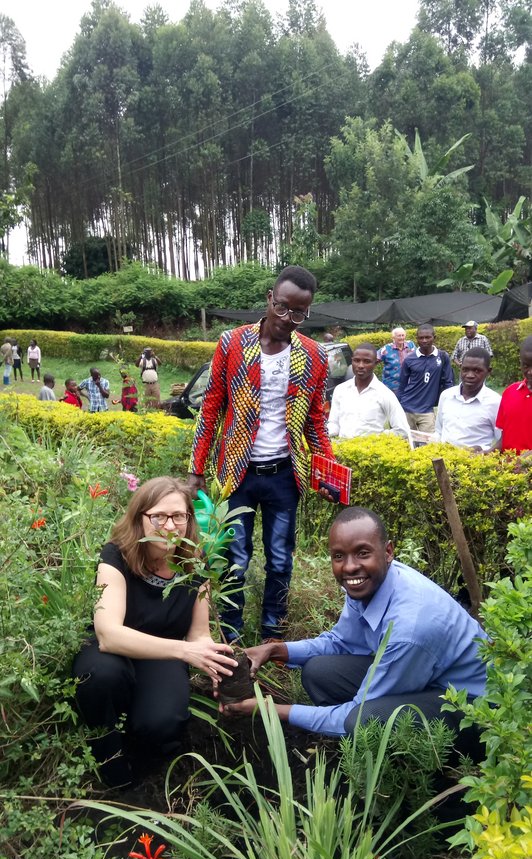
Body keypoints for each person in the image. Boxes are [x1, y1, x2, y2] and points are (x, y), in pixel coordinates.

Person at [221, 507, 487, 743]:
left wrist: (269, 709)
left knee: (361, 720)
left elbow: (353, 714)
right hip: (427, 677)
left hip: (471, 710)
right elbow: (340, 642)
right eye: (339, 556)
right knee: (319, 671)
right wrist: (275, 650)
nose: (349, 567)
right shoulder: (371, 584)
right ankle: (359, 744)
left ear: (388, 551)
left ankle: (396, 760)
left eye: (362, 553)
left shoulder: (410, 629)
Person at [188, 265, 335, 643]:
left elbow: (316, 421)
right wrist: (197, 469)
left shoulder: (315, 356)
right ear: (270, 299)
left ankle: (273, 633)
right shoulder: (232, 343)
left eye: (300, 313)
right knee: (235, 561)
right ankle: (233, 635)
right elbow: (211, 408)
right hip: (238, 475)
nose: (289, 319)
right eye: (284, 308)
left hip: (285, 475)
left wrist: (328, 472)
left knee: (281, 560)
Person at [73, 476, 237, 787]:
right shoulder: (116, 556)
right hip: (111, 652)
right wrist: (185, 651)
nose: (171, 526)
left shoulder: (194, 563)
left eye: (179, 516)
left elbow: (199, 634)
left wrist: (214, 661)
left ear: (189, 520)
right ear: (140, 519)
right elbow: (108, 634)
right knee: (100, 677)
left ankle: (143, 765)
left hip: (161, 657)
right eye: (158, 516)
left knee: (163, 722)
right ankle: (109, 764)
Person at [328, 344, 412, 444]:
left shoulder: (384, 393)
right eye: (357, 360)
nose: (360, 366)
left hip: (370, 454)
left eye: (367, 361)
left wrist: (376, 439)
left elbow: (402, 430)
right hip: (344, 453)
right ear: (352, 361)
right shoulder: (340, 390)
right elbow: (334, 423)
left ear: (376, 363)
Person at [435, 349, 501, 453]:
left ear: (488, 371)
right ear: (460, 368)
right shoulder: (446, 395)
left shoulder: (495, 402)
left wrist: (484, 454)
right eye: (465, 370)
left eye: (477, 371)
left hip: (475, 465)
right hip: (444, 460)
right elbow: (439, 431)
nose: (470, 375)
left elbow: (501, 440)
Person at [397, 324, 453, 436]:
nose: (424, 340)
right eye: (421, 338)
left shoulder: (442, 357)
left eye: (428, 337)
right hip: (406, 408)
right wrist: (397, 407)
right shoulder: (409, 359)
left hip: (427, 410)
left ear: (434, 338)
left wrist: (449, 405)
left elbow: (448, 383)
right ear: (416, 339)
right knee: (405, 443)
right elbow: (402, 385)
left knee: (428, 444)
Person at [495, 335, 532, 455]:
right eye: (526, 366)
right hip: (508, 471)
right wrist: (487, 453)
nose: (530, 372)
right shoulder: (510, 392)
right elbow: (504, 438)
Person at [376, 327, 416, 393]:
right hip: (391, 385)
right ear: (393, 337)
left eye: (403, 335)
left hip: (409, 384)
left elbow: (418, 358)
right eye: (399, 336)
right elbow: (374, 360)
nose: (401, 337)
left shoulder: (410, 345)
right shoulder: (386, 348)